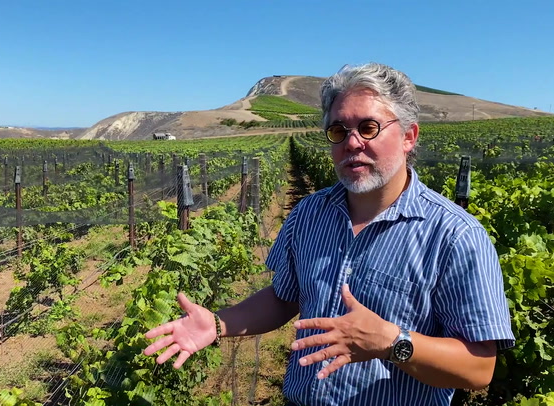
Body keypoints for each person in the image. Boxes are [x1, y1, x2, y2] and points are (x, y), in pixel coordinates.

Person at [144, 62, 515, 405]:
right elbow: (284, 298)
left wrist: (392, 343)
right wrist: (218, 323)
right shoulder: (309, 213)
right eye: (339, 130)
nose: (352, 143)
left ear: (408, 136)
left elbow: (479, 369)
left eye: (369, 127)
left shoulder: (455, 235)